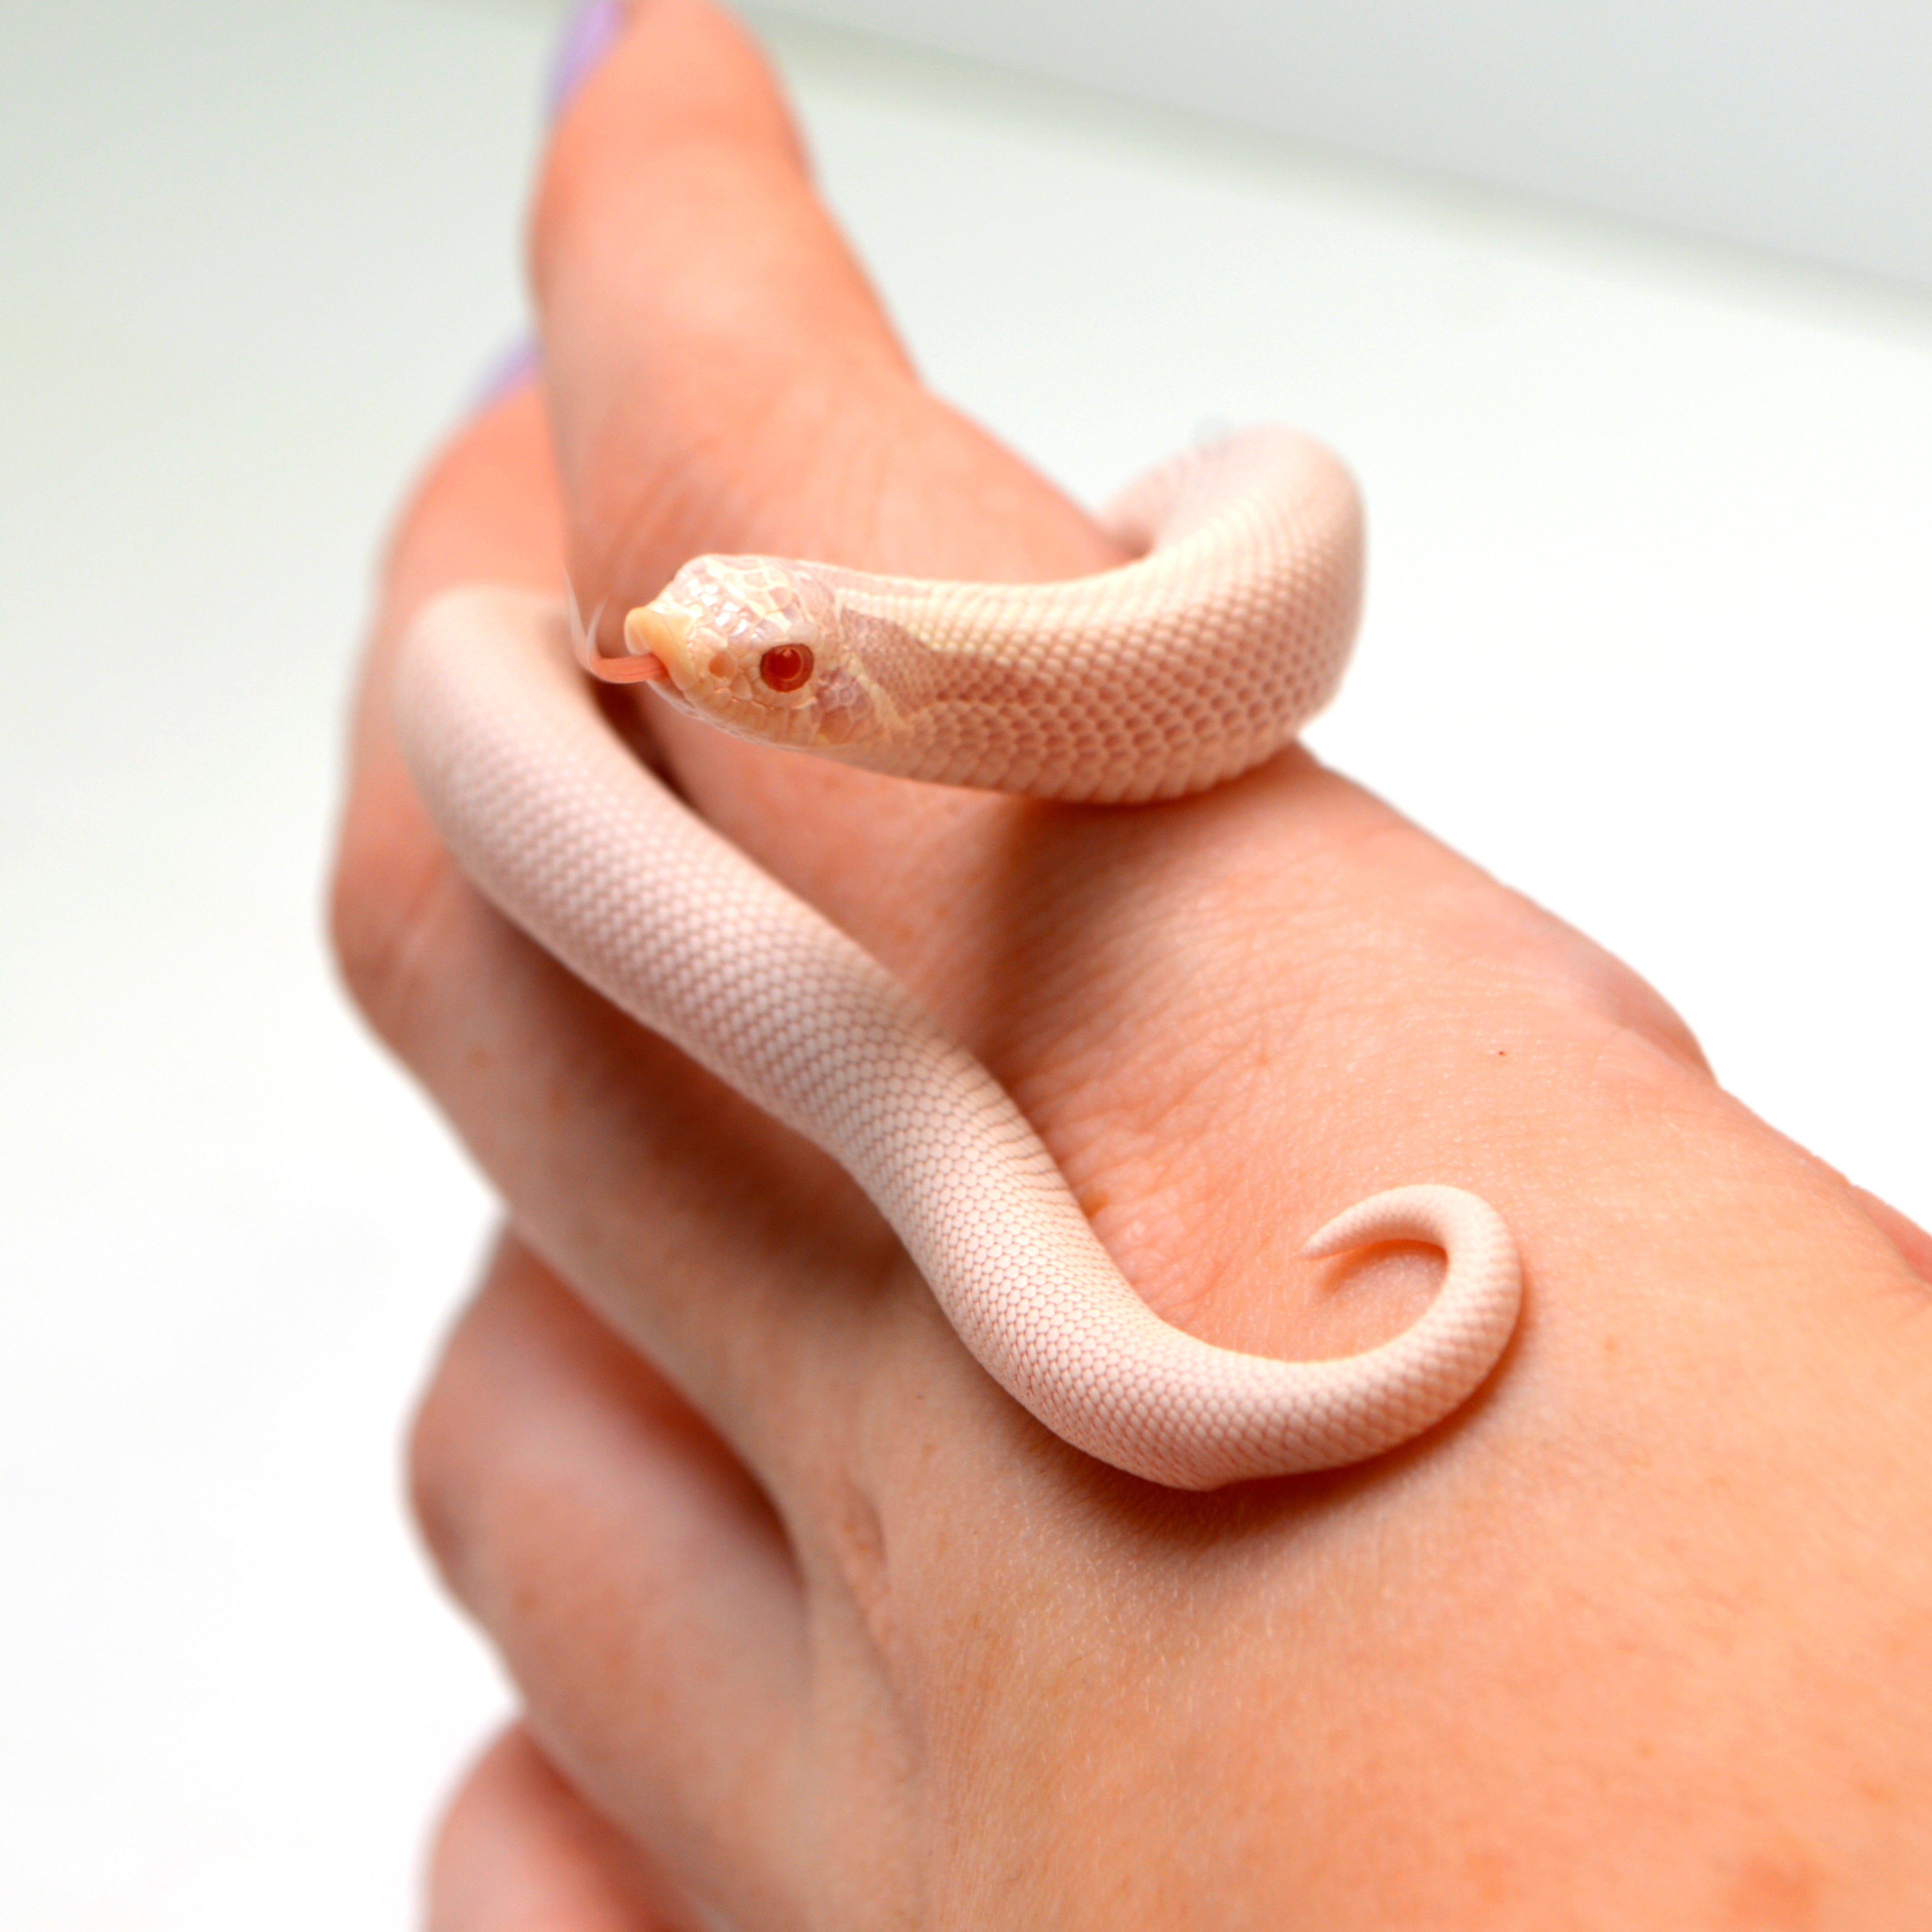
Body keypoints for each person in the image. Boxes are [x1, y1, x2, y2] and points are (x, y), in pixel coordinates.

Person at [329, 2, 1932, 1923]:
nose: (670, 659)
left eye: (756, 670)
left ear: (851, 671)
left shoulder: (1144, 617)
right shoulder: (1059, 615)